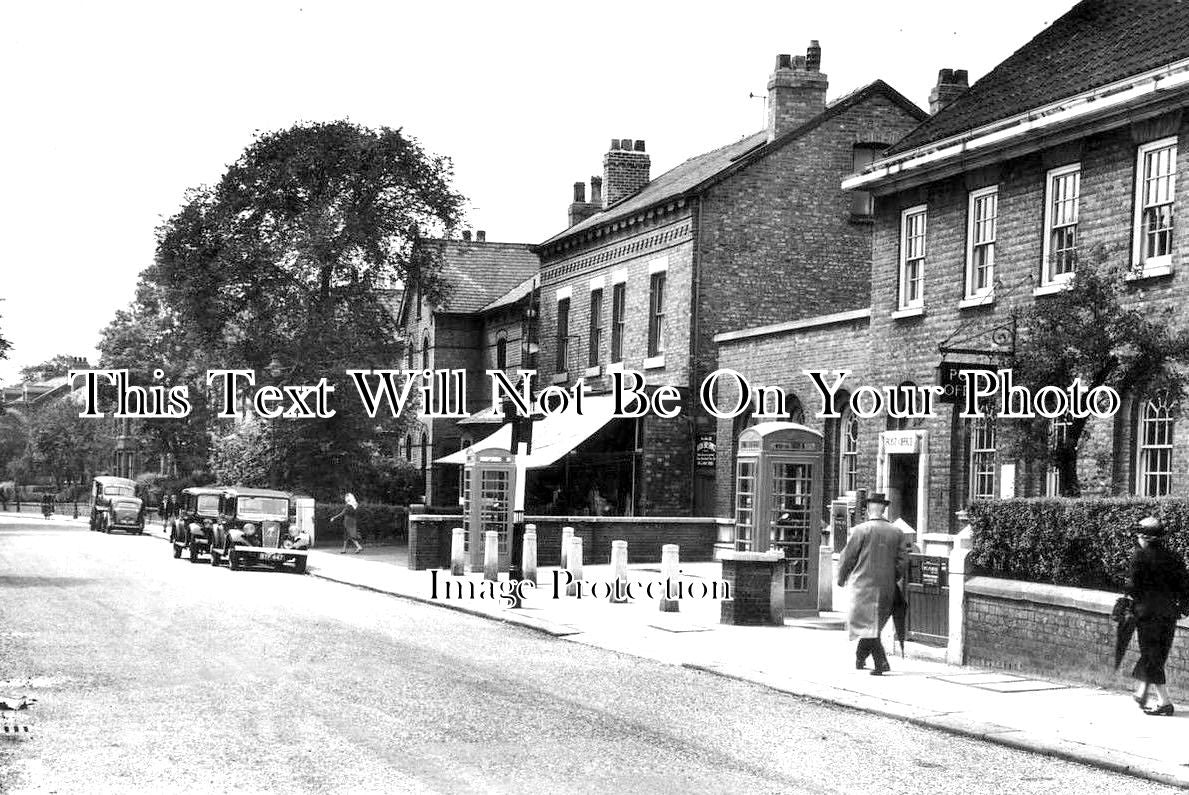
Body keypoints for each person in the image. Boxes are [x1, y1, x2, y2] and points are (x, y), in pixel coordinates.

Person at [837, 492, 910, 675]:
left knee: (866, 626)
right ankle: (860, 657)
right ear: (884, 509)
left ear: (869, 508)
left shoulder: (861, 530)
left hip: (862, 587)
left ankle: (881, 663)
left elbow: (847, 558)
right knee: (872, 626)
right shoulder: (897, 532)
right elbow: (902, 562)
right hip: (886, 588)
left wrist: (841, 578)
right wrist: (891, 578)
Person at [1126, 516, 1189, 716]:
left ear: (1145, 537)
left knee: (1151, 655)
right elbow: (1185, 587)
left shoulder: (1139, 557)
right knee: (1157, 653)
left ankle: (1165, 702)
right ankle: (1143, 692)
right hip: (1168, 614)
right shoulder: (1173, 557)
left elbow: (1133, 587)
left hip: (1147, 614)